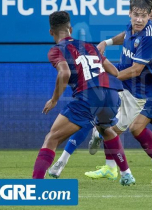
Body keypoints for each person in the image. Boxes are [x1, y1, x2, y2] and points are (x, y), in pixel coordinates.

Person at [85, 0, 152, 184]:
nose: (149, 12)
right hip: (130, 81)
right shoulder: (135, 24)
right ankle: (110, 167)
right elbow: (126, 34)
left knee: (134, 128)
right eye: (139, 12)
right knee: (110, 122)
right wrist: (108, 41)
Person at [32, 11, 135, 186]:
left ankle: (36, 186)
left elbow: (64, 73)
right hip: (111, 94)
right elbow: (114, 72)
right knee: (105, 129)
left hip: (89, 96)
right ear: (70, 29)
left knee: (52, 138)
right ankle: (126, 174)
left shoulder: (56, 50)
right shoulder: (90, 46)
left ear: (51, 32)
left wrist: (54, 99)